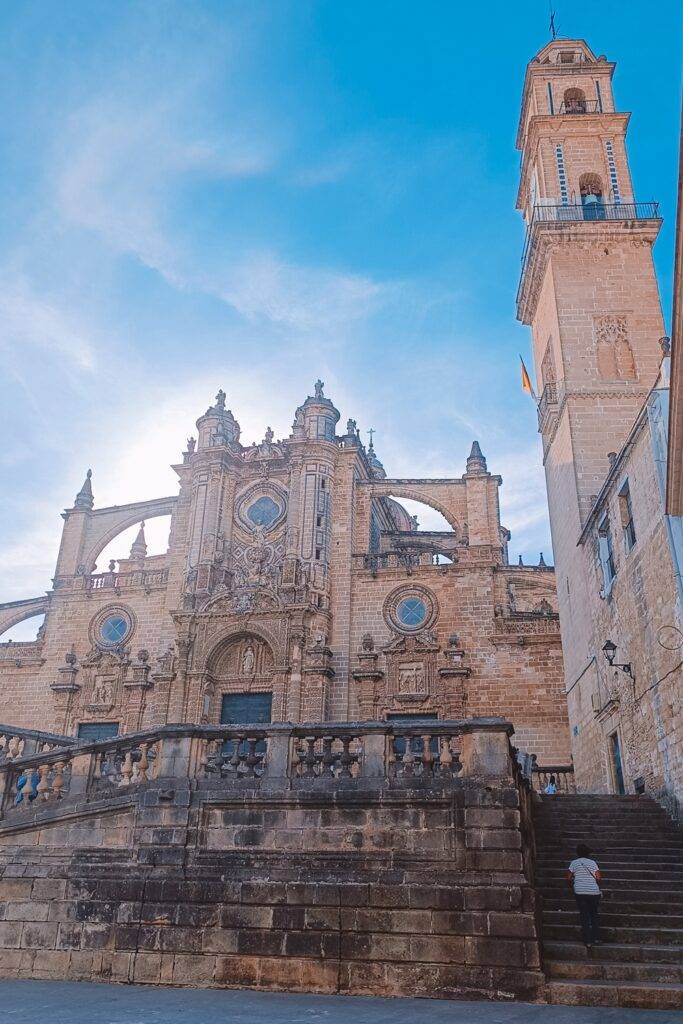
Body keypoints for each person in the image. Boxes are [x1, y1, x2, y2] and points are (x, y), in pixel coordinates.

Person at [567, 842, 602, 948]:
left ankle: (587, 941)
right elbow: (599, 877)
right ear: (588, 854)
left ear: (577, 853)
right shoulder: (593, 863)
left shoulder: (574, 863)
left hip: (580, 892)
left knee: (584, 916)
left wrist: (574, 882)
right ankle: (596, 938)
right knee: (594, 915)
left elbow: (568, 877)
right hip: (593, 892)